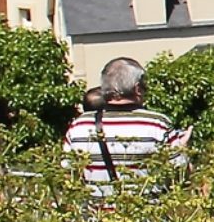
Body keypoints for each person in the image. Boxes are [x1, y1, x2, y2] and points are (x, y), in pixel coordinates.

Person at [63, 57, 190, 200]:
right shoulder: (157, 123)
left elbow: (68, 175)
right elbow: (179, 175)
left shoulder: (80, 125)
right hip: (146, 218)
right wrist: (182, 147)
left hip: (94, 218)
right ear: (137, 89)